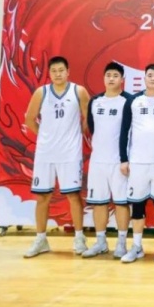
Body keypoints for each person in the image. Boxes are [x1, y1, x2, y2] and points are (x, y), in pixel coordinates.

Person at [24, 56, 90, 258]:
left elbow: (88, 119)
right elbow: (29, 119)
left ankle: (79, 238)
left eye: (61, 70)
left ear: (68, 71)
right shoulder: (41, 92)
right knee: (42, 197)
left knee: (73, 195)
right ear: (49, 73)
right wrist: (45, 137)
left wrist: (75, 136)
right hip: (45, 153)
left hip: (70, 154)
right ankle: (40, 239)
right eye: (54, 71)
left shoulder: (78, 91)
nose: (58, 74)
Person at [119, 64, 154, 264]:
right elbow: (125, 131)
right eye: (149, 75)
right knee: (138, 207)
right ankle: (137, 246)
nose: (152, 78)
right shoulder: (133, 101)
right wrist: (124, 159)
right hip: (137, 163)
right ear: (144, 78)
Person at [81, 62, 131, 259]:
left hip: (119, 162)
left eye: (115, 75)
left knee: (121, 203)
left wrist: (125, 159)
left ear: (122, 79)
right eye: (108, 75)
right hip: (98, 162)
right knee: (99, 202)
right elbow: (92, 128)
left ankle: (121, 243)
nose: (111, 78)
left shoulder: (128, 101)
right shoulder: (95, 101)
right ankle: (101, 242)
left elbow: (130, 131)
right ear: (103, 78)